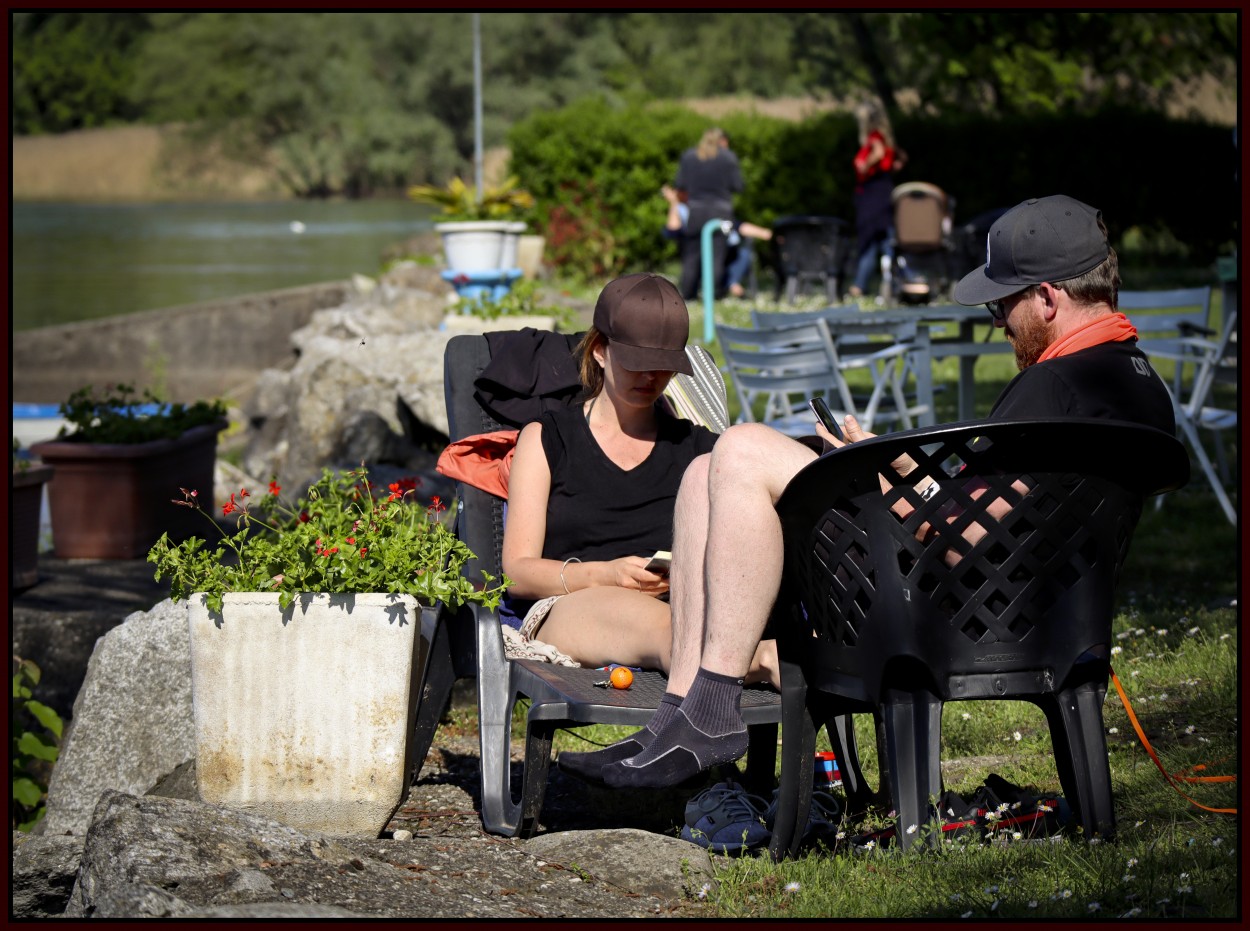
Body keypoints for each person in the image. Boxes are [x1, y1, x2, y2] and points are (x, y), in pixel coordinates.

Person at [558, 194, 1176, 789]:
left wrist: (870, 474)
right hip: (1043, 610)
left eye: (1000, 308)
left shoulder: (1049, 388)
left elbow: (960, 542)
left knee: (741, 448)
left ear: (1046, 298)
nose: (1000, 326)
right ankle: (682, 714)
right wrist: (899, 464)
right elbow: (995, 518)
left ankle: (711, 709)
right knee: (704, 473)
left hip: (945, 617)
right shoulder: (1134, 381)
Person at [501, 271, 779, 681]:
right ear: (599, 350)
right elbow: (516, 572)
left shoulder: (695, 446)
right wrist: (607, 573)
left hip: (686, 606)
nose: (651, 378)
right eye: (638, 364)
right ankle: (762, 661)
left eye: (663, 367)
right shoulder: (548, 439)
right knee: (668, 628)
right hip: (576, 602)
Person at [662, 184, 772, 298]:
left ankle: (730, 283)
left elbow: (736, 225)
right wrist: (674, 203)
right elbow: (672, 231)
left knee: (743, 253)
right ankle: (729, 285)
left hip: (724, 249)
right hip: (698, 252)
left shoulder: (706, 206)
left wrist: (767, 234)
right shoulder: (681, 209)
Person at [673, 128, 744, 301]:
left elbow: (680, 184)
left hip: (696, 211)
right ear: (723, 141)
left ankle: (688, 296)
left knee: (691, 257)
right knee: (717, 257)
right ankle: (713, 295)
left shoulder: (689, 156)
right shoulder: (728, 158)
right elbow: (739, 186)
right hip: (721, 211)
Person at [848, 102, 906, 300]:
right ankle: (866, 284)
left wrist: (865, 165)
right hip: (882, 190)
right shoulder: (886, 138)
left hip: (873, 193)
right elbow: (898, 158)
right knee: (883, 241)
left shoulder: (874, 139)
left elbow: (879, 153)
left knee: (874, 239)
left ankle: (864, 285)